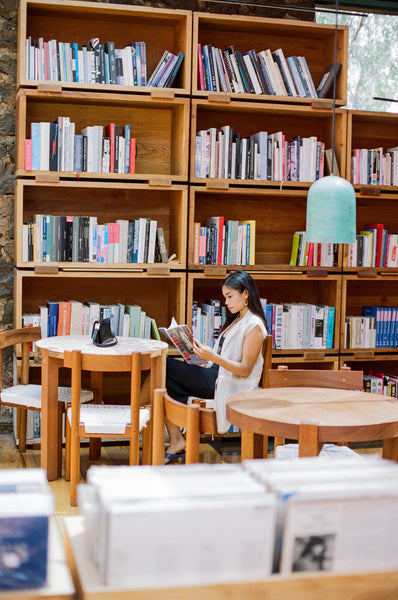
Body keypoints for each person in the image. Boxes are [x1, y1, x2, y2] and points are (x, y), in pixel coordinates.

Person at [164, 270, 268, 463]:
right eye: (224, 297)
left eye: (230, 296)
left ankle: (140, 419)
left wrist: (212, 356)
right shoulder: (237, 320)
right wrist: (201, 355)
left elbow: (245, 369)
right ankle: (174, 438)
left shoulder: (254, 325)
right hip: (215, 374)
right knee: (162, 373)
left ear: (246, 294)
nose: (226, 302)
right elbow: (221, 358)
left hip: (226, 383)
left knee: (163, 365)